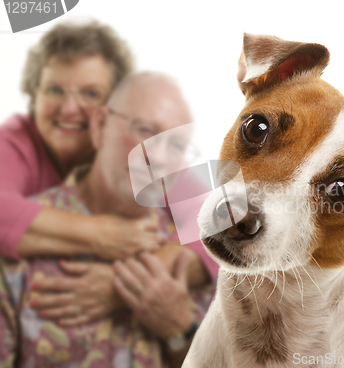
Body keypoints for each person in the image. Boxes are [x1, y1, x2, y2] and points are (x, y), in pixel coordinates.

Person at [0, 72, 217, 368]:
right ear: (100, 125)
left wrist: (179, 329)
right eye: (144, 130)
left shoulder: (202, 258)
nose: (159, 158)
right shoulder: (19, 252)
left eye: (176, 146)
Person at [0, 19, 162, 262]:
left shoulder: (135, 144)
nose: (69, 109)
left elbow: (206, 215)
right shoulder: (17, 138)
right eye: (55, 90)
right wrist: (100, 234)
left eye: (90, 93)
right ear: (35, 95)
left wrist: (171, 261)